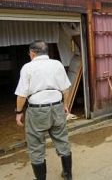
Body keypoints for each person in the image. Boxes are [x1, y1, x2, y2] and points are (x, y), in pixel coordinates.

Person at [15, 40, 72, 180]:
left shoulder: (27, 67)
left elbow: (22, 95)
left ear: (32, 53)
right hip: (57, 106)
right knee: (62, 141)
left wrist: (18, 112)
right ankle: (68, 175)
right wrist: (65, 105)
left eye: (29, 53)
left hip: (37, 111)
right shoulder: (57, 64)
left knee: (36, 146)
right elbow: (66, 89)